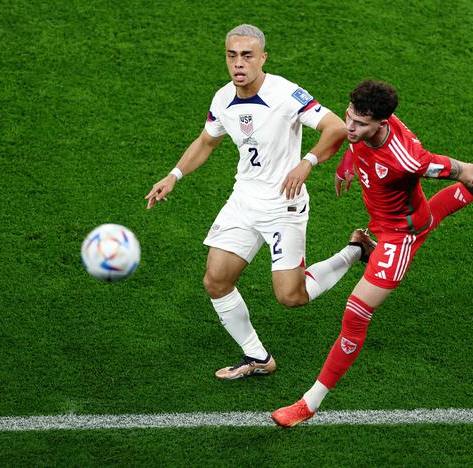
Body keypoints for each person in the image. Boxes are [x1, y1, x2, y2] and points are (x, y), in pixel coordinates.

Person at [271, 80, 473, 427]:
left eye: (360, 124)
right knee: (433, 212)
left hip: (400, 237)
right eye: (349, 116)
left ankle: (309, 403)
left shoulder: (407, 158)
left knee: (355, 314)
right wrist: (349, 160)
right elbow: (356, 135)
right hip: (387, 219)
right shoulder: (366, 127)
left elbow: (466, 171)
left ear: (382, 124)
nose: (348, 127)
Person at [145, 25, 375, 380]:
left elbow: (334, 128)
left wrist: (307, 162)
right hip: (244, 201)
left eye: (247, 56)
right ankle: (257, 356)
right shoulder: (222, 99)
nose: (239, 64)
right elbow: (206, 142)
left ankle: (355, 250)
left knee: (291, 297)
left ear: (262, 58)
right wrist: (173, 175)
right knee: (215, 280)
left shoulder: (286, 94)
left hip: (284, 206)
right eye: (232, 55)